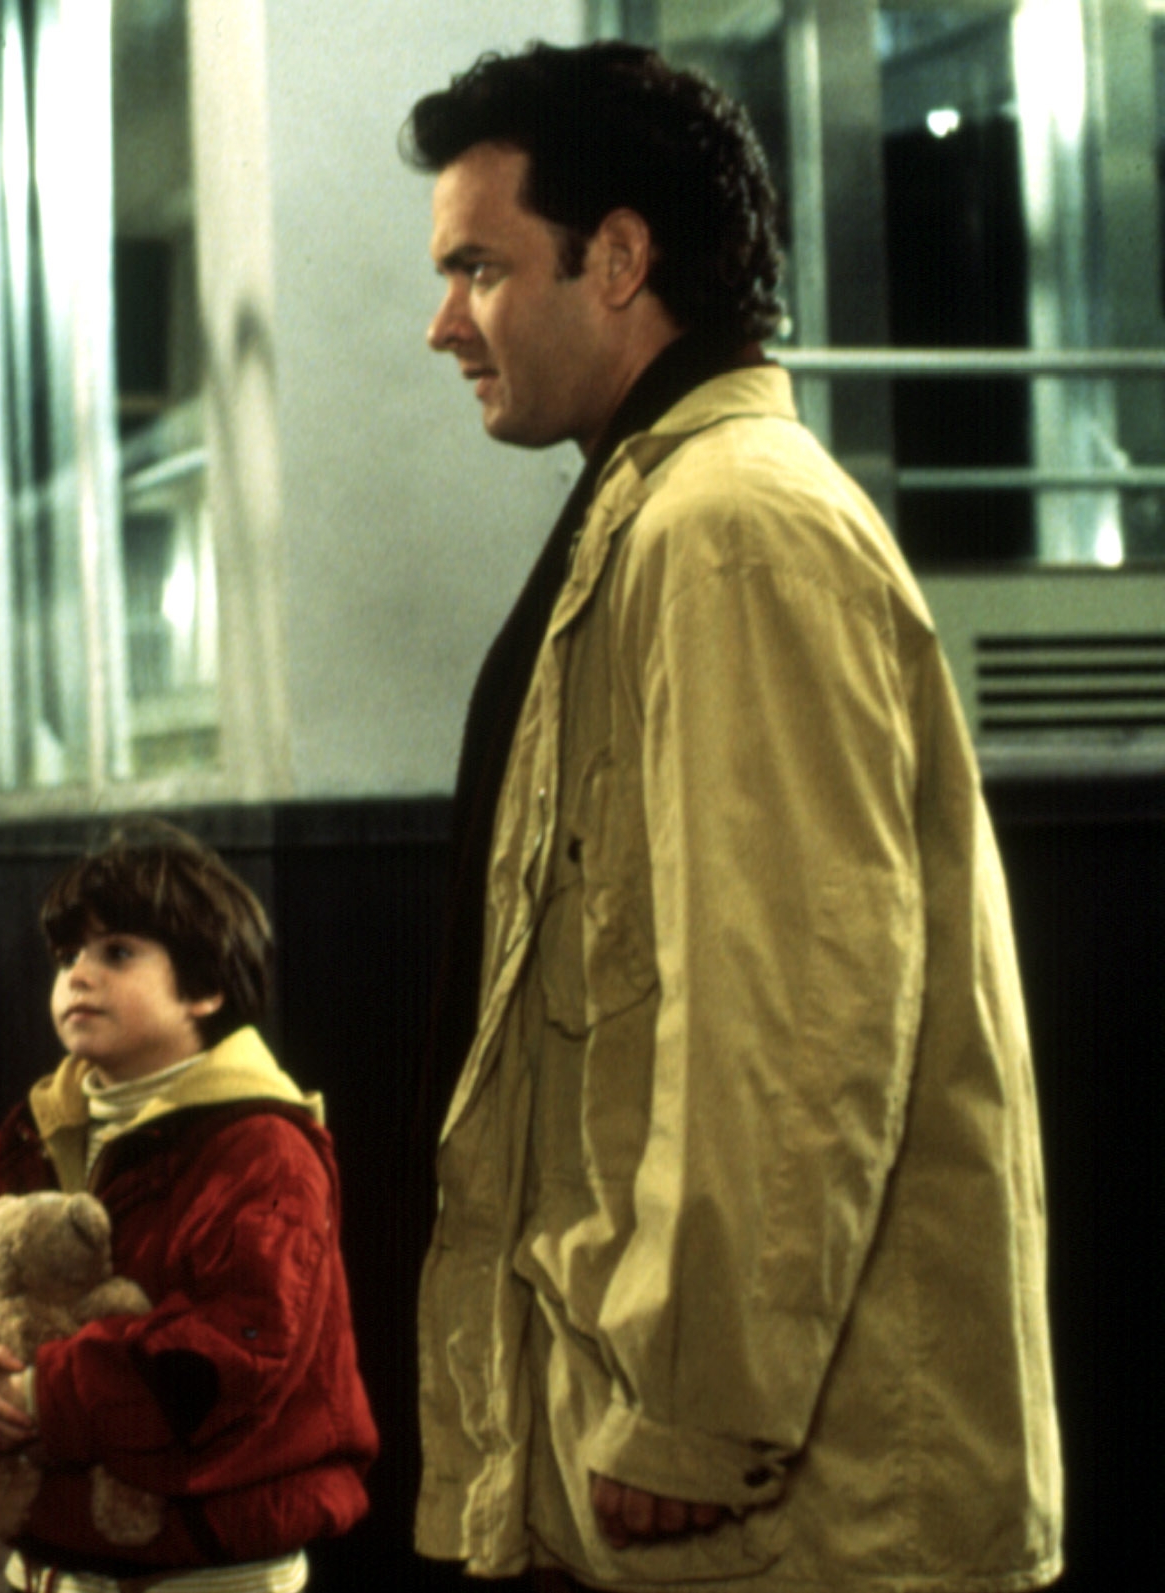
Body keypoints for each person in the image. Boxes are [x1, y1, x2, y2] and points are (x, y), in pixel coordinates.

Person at [405, 41, 1062, 1591]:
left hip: (772, 1508)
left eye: (480, 270)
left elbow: (790, 1022)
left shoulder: (729, 534)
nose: (444, 325)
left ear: (618, 258)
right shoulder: (658, 516)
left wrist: (696, 1416)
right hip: (702, 1480)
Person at [0, 818, 377, 1592]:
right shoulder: (31, 1137)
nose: (78, 976)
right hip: (54, 1564)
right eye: (67, 956)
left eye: (117, 951)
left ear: (205, 985)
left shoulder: (261, 1147)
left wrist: (39, 1395)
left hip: (209, 1569)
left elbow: (236, 1349)